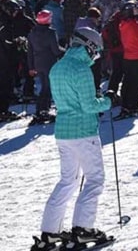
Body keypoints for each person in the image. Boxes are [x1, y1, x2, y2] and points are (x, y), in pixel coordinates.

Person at [32, 28, 113, 251]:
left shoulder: (58, 67)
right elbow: (88, 106)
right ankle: (83, 229)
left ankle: (50, 231)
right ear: (89, 46)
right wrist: (107, 101)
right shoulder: (81, 69)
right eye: (95, 52)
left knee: (67, 180)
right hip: (84, 132)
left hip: (63, 133)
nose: (94, 57)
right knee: (94, 179)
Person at [27, 10, 62, 124]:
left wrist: (31, 66)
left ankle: (42, 109)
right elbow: (56, 50)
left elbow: (30, 52)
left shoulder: (32, 33)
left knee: (43, 86)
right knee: (47, 87)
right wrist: (64, 50)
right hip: (49, 63)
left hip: (38, 63)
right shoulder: (51, 33)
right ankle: (42, 110)